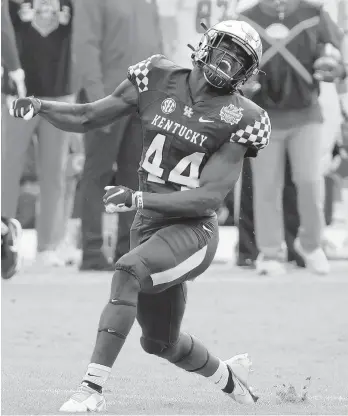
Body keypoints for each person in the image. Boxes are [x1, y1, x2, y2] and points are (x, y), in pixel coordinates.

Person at [11, 20, 271, 412]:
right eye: (226, 50)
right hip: (147, 225)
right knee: (159, 342)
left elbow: (206, 200)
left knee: (129, 269)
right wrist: (41, 107)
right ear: (207, 44)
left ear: (246, 73)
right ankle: (230, 377)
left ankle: (91, 389)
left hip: (192, 232)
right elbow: (86, 117)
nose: (228, 62)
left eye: (239, 60)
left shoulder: (242, 117)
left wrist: (138, 200)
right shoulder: (157, 75)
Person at [237, 0, 346, 275]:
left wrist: (337, 68)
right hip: (262, 116)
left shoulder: (315, 14)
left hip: (306, 115)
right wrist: (240, 82)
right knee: (266, 187)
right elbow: (231, 62)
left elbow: (338, 52)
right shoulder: (246, 18)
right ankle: (270, 252)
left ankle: (311, 245)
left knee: (310, 183)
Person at [73, 0, 163, 271]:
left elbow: (157, 50)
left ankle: (128, 250)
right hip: (106, 98)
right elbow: (85, 46)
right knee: (96, 173)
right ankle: (91, 251)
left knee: (135, 176)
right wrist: (98, 102)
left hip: (142, 100)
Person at [1, 0, 75, 267]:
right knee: (9, 169)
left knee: (54, 172)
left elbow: (84, 35)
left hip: (59, 90)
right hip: (18, 93)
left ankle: (49, 246)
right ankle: (4, 241)